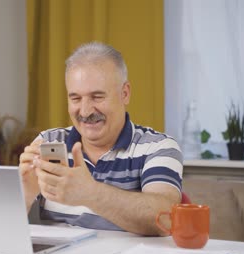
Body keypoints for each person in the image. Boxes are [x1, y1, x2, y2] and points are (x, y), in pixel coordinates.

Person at [19, 42, 183, 236]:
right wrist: (24, 193)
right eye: (75, 98)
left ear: (125, 94)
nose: (86, 111)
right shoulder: (48, 141)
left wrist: (90, 193)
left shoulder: (159, 147)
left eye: (97, 97)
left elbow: (165, 218)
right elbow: (2, 230)